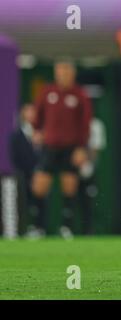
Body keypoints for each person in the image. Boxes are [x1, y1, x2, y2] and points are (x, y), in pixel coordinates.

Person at [31, 60, 92, 239]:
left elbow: (85, 123)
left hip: (71, 148)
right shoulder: (47, 92)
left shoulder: (80, 94)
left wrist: (81, 148)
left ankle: (67, 227)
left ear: (72, 73)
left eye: (66, 70)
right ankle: (37, 227)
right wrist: (36, 131)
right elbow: (37, 115)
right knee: (40, 185)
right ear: (56, 72)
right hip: (49, 147)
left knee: (69, 186)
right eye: (60, 70)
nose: (63, 74)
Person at [8, 104, 45, 237]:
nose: (31, 114)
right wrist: (26, 173)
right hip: (24, 175)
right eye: (28, 111)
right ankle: (26, 228)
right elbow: (15, 156)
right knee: (24, 203)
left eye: (33, 111)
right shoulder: (17, 136)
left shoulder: (43, 133)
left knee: (40, 202)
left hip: (40, 174)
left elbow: (46, 155)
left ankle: (40, 228)